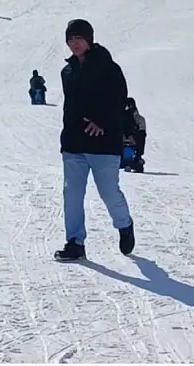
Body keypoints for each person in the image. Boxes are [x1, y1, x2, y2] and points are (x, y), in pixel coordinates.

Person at [54, 19, 135, 261]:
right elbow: (72, 107)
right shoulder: (67, 72)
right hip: (74, 144)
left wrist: (101, 121)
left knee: (109, 192)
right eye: (70, 39)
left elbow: (118, 100)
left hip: (104, 143)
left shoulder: (109, 68)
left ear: (89, 38)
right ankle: (75, 242)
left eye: (78, 38)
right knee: (72, 195)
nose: (74, 43)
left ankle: (124, 224)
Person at [122, 97, 147, 170]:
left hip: (133, 139)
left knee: (141, 134)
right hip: (120, 141)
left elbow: (142, 129)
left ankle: (137, 157)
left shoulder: (137, 118)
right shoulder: (117, 115)